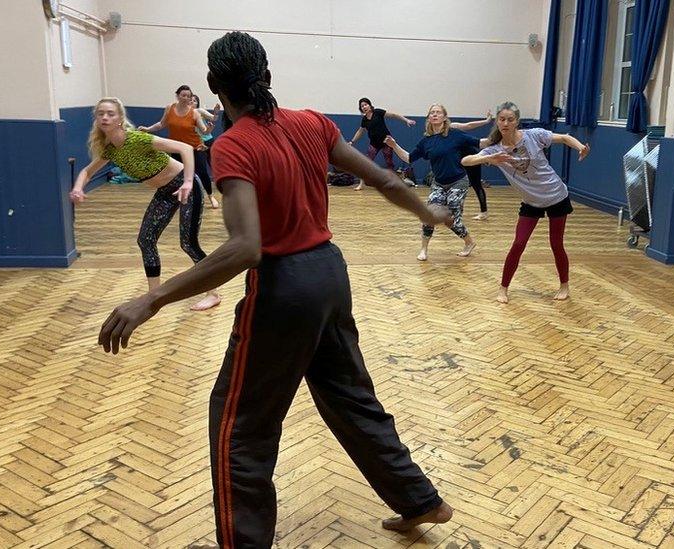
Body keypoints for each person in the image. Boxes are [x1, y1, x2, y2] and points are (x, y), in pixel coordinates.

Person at [97, 32, 454, 548]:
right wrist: (429, 212)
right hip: (331, 275)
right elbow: (388, 182)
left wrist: (151, 297)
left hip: (285, 289)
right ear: (267, 76)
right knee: (352, 399)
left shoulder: (235, 144)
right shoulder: (311, 122)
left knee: (238, 428)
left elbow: (246, 248)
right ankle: (421, 500)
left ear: (216, 88)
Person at [70, 97, 221, 311]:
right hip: (165, 192)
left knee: (188, 243)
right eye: (100, 113)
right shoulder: (110, 150)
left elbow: (185, 149)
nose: (105, 117)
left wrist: (188, 181)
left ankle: (213, 293)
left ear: (120, 119)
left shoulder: (138, 139)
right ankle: (154, 297)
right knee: (146, 240)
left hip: (186, 186)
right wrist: (78, 188)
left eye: (110, 113)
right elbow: (87, 171)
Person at [461, 101, 590, 303]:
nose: (505, 123)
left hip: (556, 195)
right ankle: (503, 288)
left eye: (510, 120)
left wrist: (580, 147)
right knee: (519, 243)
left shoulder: (534, 135)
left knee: (556, 244)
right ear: (497, 121)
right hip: (531, 201)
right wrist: (488, 159)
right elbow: (466, 160)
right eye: (502, 119)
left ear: (517, 122)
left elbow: (565, 137)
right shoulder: (494, 149)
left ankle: (564, 285)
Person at [385, 104, 478, 261]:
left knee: (451, 220)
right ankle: (424, 249)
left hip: (458, 182)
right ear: (429, 118)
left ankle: (469, 242)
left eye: (438, 112)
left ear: (444, 117)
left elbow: (480, 142)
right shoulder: (426, 141)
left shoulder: (455, 135)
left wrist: (498, 143)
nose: (435, 115)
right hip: (439, 183)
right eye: (432, 113)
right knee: (428, 214)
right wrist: (394, 146)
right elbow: (408, 158)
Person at [139, 86, 221, 209]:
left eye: (188, 96)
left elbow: (204, 131)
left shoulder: (194, 113)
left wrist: (209, 129)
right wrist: (148, 129)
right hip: (176, 148)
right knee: (177, 175)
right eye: (183, 95)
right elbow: (161, 124)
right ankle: (180, 198)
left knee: (202, 173)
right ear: (177, 96)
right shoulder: (170, 108)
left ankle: (210, 196)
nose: (186, 98)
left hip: (194, 148)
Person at [348, 98, 415, 191]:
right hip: (374, 144)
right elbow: (360, 131)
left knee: (389, 163)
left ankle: (392, 183)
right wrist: (352, 141)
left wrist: (405, 120)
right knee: (365, 163)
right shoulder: (364, 120)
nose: (364, 107)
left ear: (370, 105)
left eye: (365, 105)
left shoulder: (378, 112)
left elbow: (393, 115)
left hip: (386, 142)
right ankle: (361, 184)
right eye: (362, 106)